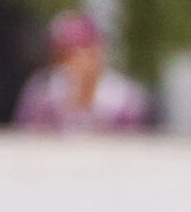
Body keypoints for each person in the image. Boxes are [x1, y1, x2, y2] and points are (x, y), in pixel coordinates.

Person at [13, 11, 151, 132]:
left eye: (79, 52)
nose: (72, 64)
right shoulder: (42, 92)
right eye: (64, 56)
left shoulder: (124, 98)